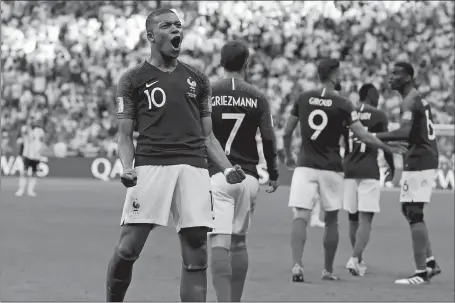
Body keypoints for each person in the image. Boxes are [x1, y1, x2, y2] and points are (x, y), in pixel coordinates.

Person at [105, 9, 246, 302]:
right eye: (166, 25)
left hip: (194, 168)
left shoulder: (198, 79)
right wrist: (127, 167)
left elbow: (208, 136)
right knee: (128, 247)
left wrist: (226, 166)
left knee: (197, 251)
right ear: (151, 36)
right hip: (151, 166)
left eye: (178, 25)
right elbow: (124, 136)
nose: (174, 30)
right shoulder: (132, 79)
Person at [283, 58, 407, 282]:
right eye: (339, 73)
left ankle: (297, 265)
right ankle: (328, 271)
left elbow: (287, 131)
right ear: (332, 75)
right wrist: (388, 147)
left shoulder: (302, 98)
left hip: (305, 165)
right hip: (331, 167)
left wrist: (288, 156)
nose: (341, 77)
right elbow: (364, 135)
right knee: (331, 220)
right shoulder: (342, 104)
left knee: (300, 216)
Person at [209, 40, 279, 302]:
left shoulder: (208, 92)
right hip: (248, 176)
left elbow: (199, 135)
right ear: (247, 64)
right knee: (239, 243)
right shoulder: (258, 97)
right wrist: (273, 172)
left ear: (221, 62)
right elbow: (269, 138)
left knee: (219, 242)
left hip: (218, 174)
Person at [376, 62, 441, 285]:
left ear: (408, 77)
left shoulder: (410, 100)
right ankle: (430, 262)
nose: (391, 77)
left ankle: (421, 272)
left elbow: (405, 132)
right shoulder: (415, 98)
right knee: (408, 209)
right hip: (420, 157)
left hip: (420, 159)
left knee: (414, 212)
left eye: (396, 74)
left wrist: (376, 136)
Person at [342, 83, 395, 276]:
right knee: (366, 219)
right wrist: (392, 166)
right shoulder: (379, 115)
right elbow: (385, 142)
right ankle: (355, 258)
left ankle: (358, 258)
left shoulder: (348, 111)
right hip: (369, 169)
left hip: (348, 168)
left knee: (352, 218)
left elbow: (342, 139)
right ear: (372, 95)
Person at [15, 117, 44, 197]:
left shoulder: (40, 131)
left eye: (34, 121)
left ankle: (30, 190)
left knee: (34, 173)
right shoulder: (25, 128)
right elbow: (24, 132)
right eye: (31, 121)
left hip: (36, 155)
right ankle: (21, 190)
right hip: (27, 154)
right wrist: (28, 126)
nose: (33, 122)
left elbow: (41, 141)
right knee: (24, 172)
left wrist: (40, 150)